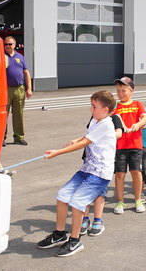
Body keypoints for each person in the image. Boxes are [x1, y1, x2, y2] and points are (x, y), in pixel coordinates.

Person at [36, 90, 117, 257]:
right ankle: (59, 235)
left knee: (77, 201)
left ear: (106, 109)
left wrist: (58, 152)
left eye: (94, 107)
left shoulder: (107, 124)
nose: (91, 110)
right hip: (87, 169)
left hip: (99, 174)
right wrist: (77, 139)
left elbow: (86, 143)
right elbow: (88, 137)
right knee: (62, 195)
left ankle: (75, 241)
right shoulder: (96, 120)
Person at [112, 77, 146, 214]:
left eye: (123, 90)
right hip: (120, 146)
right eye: (118, 91)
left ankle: (138, 199)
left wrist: (137, 125)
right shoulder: (116, 108)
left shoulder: (137, 104)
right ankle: (120, 202)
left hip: (135, 145)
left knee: (136, 172)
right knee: (120, 174)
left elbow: (145, 118)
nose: (120, 93)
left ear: (131, 90)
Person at [4, 36, 32, 146]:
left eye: (9, 44)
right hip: (5, 89)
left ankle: (19, 137)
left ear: (14, 45)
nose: (7, 46)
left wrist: (28, 88)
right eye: (5, 44)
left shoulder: (20, 57)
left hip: (19, 89)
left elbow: (26, 73)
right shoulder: (0, 57)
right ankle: (2, 138)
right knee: (3, 115)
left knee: (18, 114)